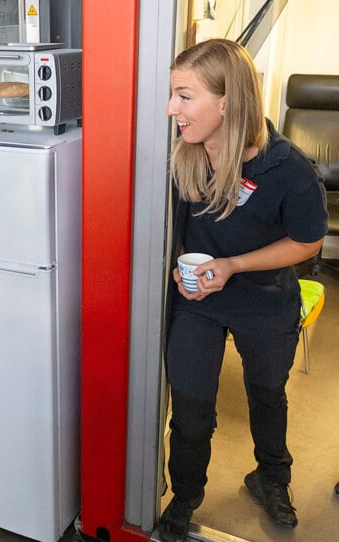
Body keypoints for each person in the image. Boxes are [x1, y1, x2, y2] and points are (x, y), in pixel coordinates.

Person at [158, 39, 327, 542]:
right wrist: (172, 270)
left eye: (184, 96)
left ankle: (272, 479)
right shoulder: (185, 156)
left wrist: (233, 265)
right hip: (199, 302)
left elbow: (307, 240)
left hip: (265, 298)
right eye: (173, 95)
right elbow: (171, 230)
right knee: (190, 413)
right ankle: (185, 498)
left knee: (267, 395)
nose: (172, 109)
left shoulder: (289, 168)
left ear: (227, 101)